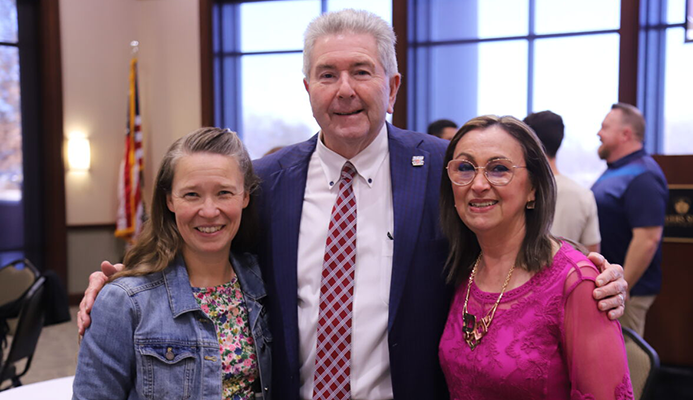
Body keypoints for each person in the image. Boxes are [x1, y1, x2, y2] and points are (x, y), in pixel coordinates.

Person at [78, 9, 628, 400]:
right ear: (308, 87)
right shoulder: (266, 182)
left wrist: (589, 271)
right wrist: (127, 285)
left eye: (361, 71)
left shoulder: (445, 169)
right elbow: (211, 252)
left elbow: (509, 230)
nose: (344, 89)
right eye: (327, 74)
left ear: (391, 86)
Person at [438, 115, 633, 399]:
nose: (478, 184)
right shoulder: (460, 268)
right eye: (465, 168)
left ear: (533, 189)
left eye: (499, 169)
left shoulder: (577, 284)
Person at [72, 128, 272, 399]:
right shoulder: (125, 302)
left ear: (245, 197)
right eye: (192, 194)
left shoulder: (267, 282)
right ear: (169, 200)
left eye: (224, 192)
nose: (210, 211)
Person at [592, 103, 668, 336]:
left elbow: (648, 240)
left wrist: (622, 289)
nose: (598, 133)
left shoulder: (643, 175)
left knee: (625, 367)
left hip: (626, 294)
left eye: (605, 127)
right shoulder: (616, 170)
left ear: (625, 134)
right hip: (609, 288)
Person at [523, 110, 601, 252]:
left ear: (528, 143)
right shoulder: (583, 195)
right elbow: (592, 255)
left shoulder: (520, 190)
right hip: (569, 272)